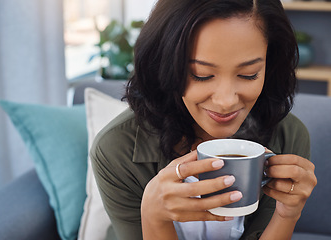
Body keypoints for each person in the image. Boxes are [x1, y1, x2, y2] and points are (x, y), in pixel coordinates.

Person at [90, 0, 317, 239]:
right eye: (202, 75)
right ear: (165, 65)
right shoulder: (116, 149)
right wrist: (153, 216)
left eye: (248, 74)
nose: (226, 101)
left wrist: (288, 215)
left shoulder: (288, 136)